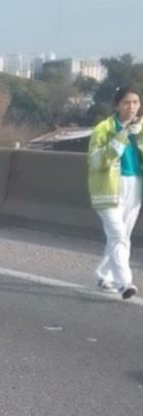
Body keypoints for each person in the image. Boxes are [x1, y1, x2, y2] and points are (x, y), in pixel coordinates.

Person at [89, 86, 143, 300]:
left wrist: (137, 137)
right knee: (118, 235)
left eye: (136, 102)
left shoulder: (141, 129)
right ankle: (124, 283)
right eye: (126, 103)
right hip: (109, 189)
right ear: (117, 105)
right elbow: (97, 160)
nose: (132, 107)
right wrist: (122, 134)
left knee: (121, 236)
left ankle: (104, 275)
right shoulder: (104, 128)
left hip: (135, 186)